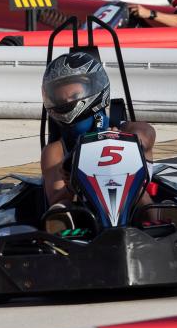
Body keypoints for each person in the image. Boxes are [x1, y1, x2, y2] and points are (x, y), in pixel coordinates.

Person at [39, 51, 157, 233]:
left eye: (74, 95)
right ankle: (60, 229)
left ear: (94, 88)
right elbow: (55, 197)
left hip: (136, 216)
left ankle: (158, 222)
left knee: (138, 190)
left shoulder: (130, 130)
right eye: (61, 99)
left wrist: (123, 141)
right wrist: (71, 184)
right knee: (59, 207)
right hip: (86, 222)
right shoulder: (56, 151)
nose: (67, 101)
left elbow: (146, 135)